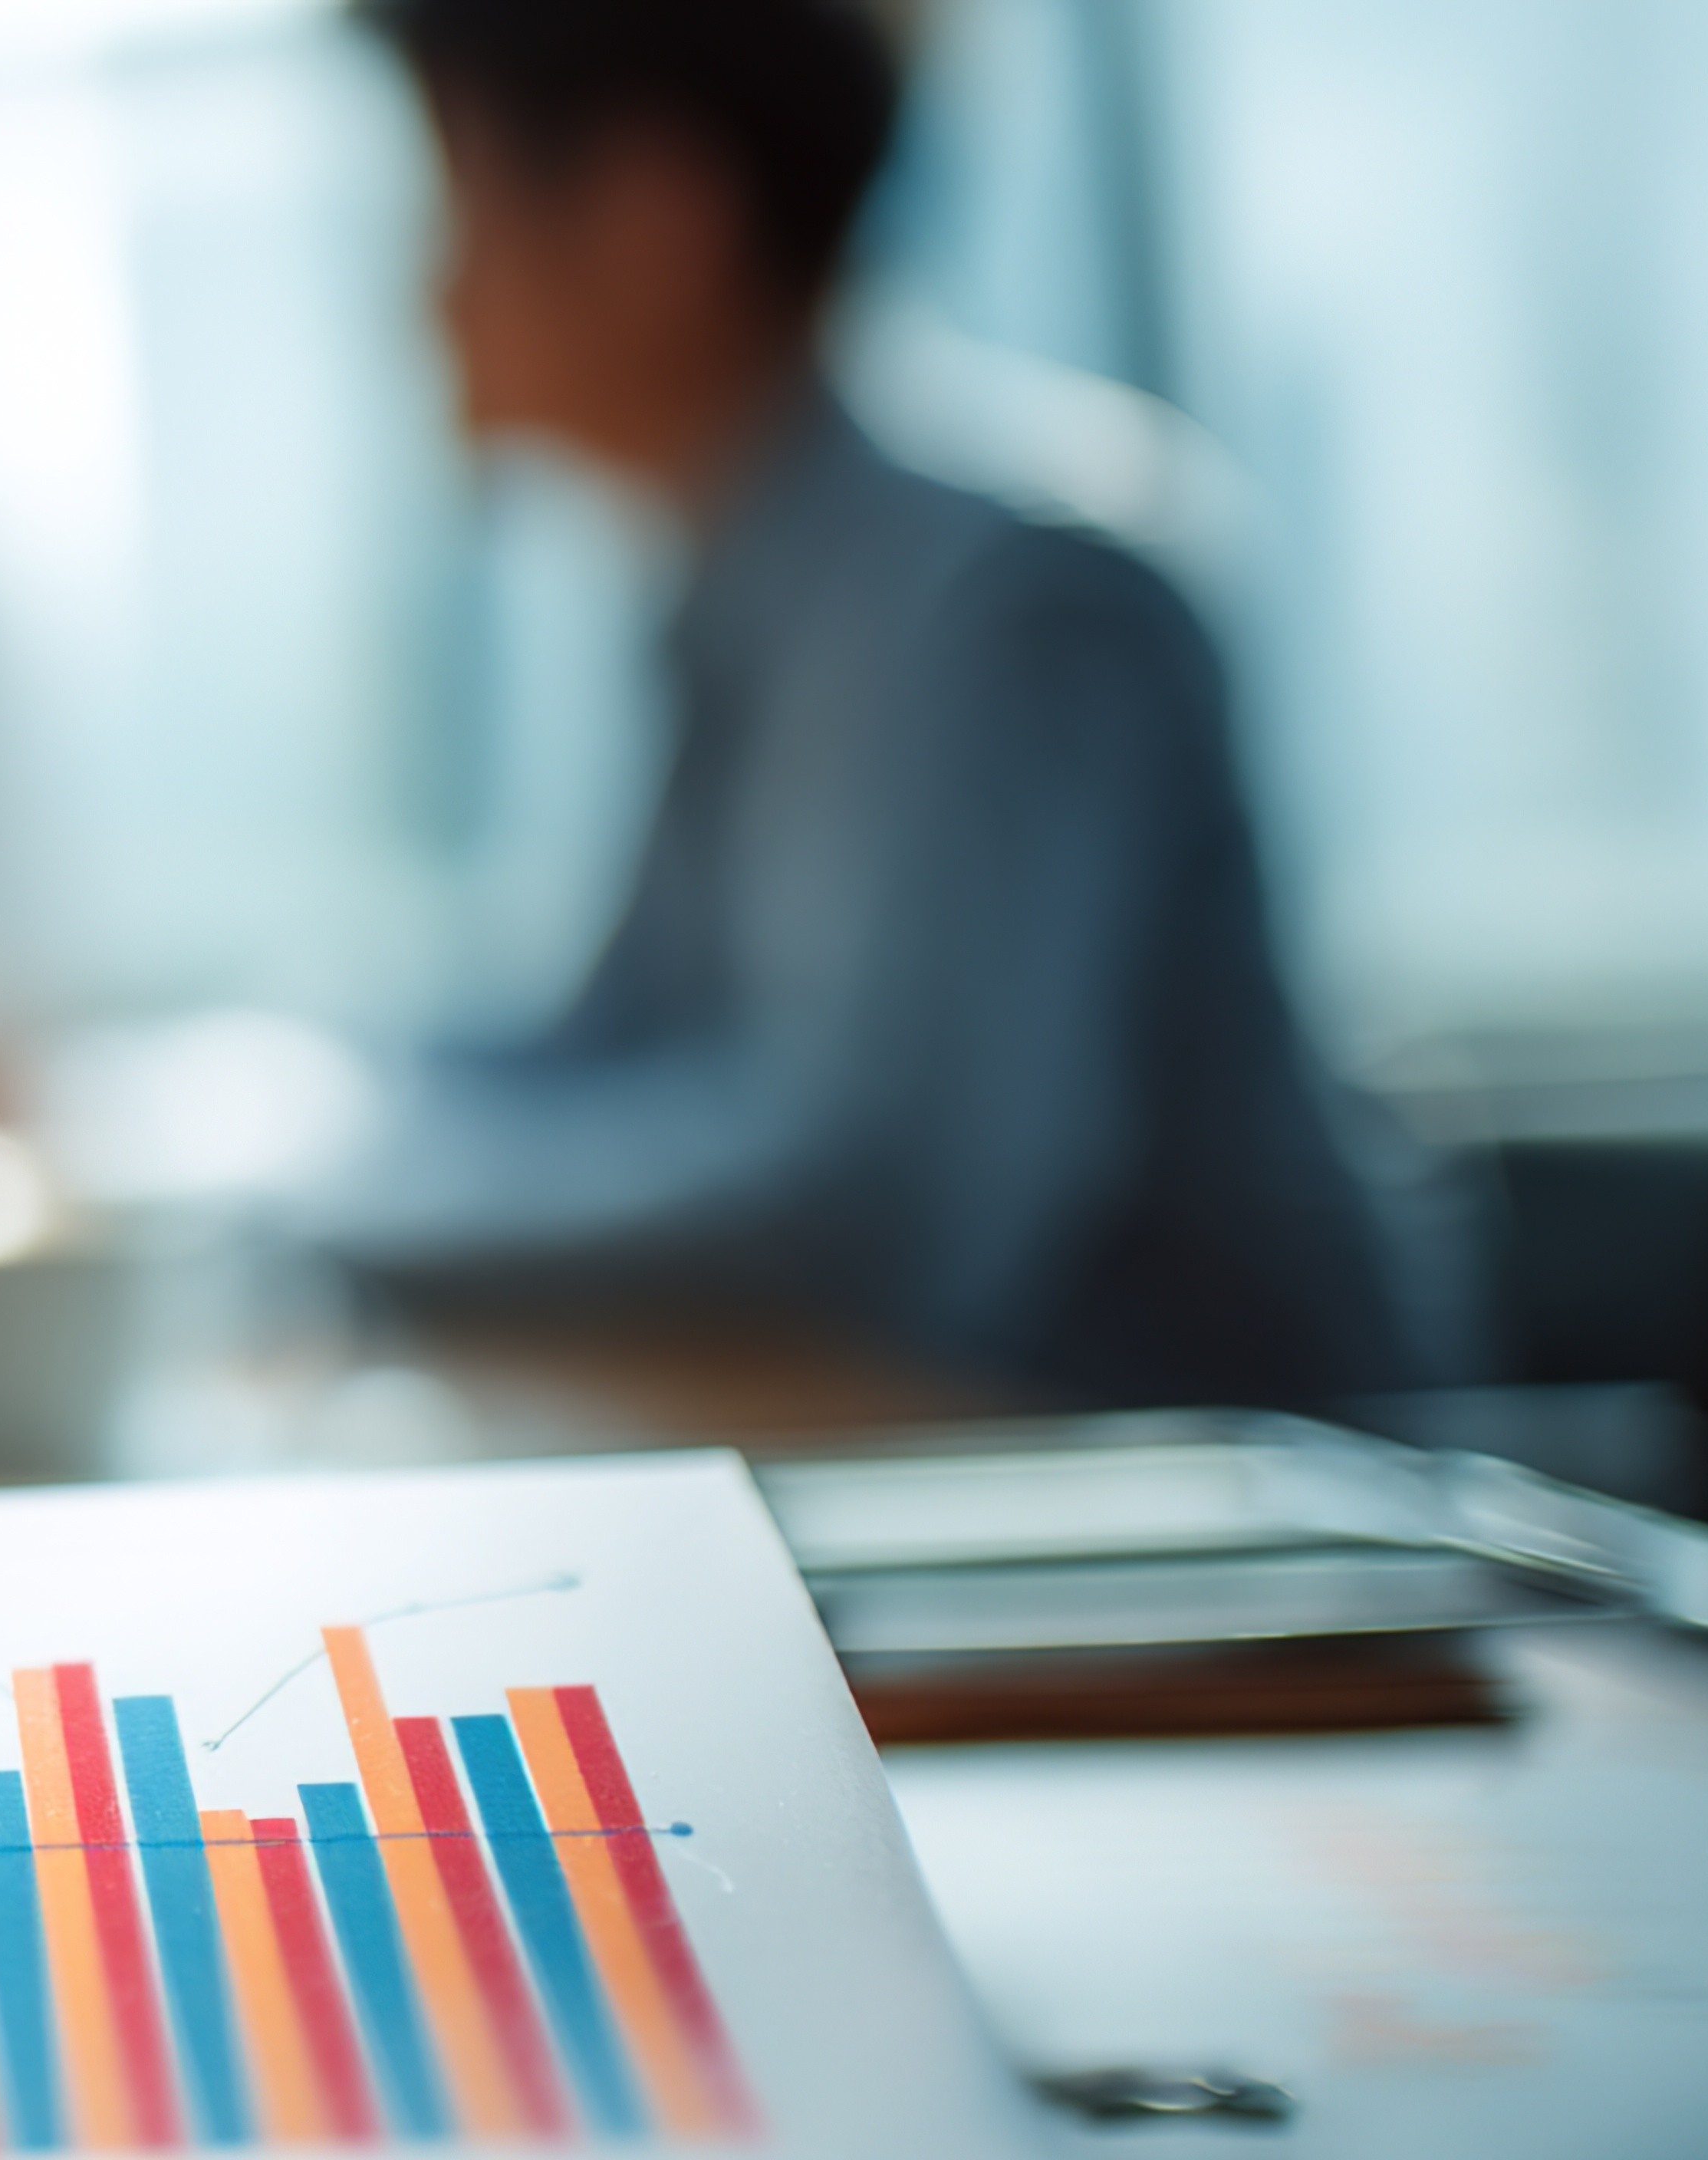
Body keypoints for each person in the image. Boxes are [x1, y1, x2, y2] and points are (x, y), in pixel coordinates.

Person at [317, 0, 1463, 1409]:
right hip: (965, 1476)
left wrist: (339, 1229)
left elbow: (878, 1205)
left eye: (458, 204)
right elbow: (613, 1042)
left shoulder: (991, 605)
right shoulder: (748, 596)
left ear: (655, 221)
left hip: (1217, 1538)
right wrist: (309, 1109)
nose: (422, 297)